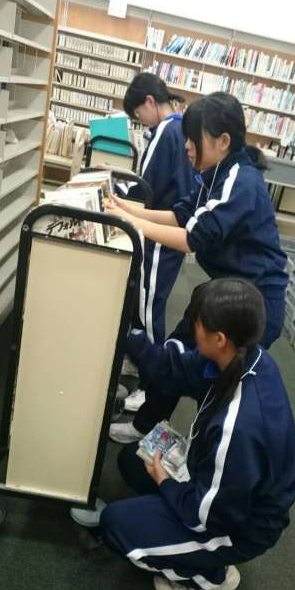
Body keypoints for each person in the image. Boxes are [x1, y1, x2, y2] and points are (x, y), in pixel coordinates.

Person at [100, 278, 295, 590]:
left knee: (115, 525)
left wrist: (166, 483)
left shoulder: (239, 427)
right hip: (217, 483)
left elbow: (208, 516)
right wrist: (124, 331)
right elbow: (169, 368)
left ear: (219, 338)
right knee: (132, 461)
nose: (192, 329)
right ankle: (188, 541)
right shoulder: (242, 357)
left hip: (238, 525)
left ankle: (208, 577)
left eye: (197, 324)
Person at [108, 91, 288, 444]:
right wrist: (127, 210)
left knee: (212, 379)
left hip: (253, 306)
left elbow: (192, 238)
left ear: (223, 141)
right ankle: (146, 427)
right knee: (176, 349)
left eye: (193, 138)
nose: (187, 146)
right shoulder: (216, 173)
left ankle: (200, 455)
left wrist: (132, 224)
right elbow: (181, 214)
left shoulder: (240, 181)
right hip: (225, 292)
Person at [119, 72, 194, 411]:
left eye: (139, 115)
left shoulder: (166, 130)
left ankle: (151, 383)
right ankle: (143, 365)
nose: (141, 121)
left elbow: (144, 185)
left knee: (149, 306)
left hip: (159, 234)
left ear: (150, 102)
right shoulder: (180, 128)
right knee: (150, 301)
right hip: (168, 227)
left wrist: (118, 196)